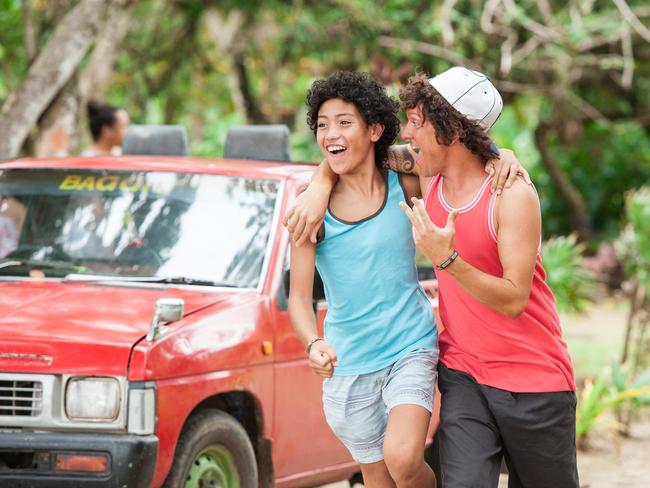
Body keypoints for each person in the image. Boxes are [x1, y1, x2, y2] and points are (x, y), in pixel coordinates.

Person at [395, 67, 579, 488]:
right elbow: (361, 153)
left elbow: (515, 298)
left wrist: (448, 260)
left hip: (535, 382)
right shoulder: (427, 174)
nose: (408, 132)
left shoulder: (511, 195)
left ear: (452, 128)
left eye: (417, 123)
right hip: (465, 374)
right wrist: (318, 184)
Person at [288, 71, 438, 487]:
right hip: (349, 363)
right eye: (322, 124)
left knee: (404, 459)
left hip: (410, 345)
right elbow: (299, 299)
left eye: (344, 122)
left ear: (374, 129)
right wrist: (313, 343)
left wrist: (505, 156)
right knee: (379, 478)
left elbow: (453, 155)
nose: (330, 133)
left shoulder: (405, 181)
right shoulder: (309, 212)